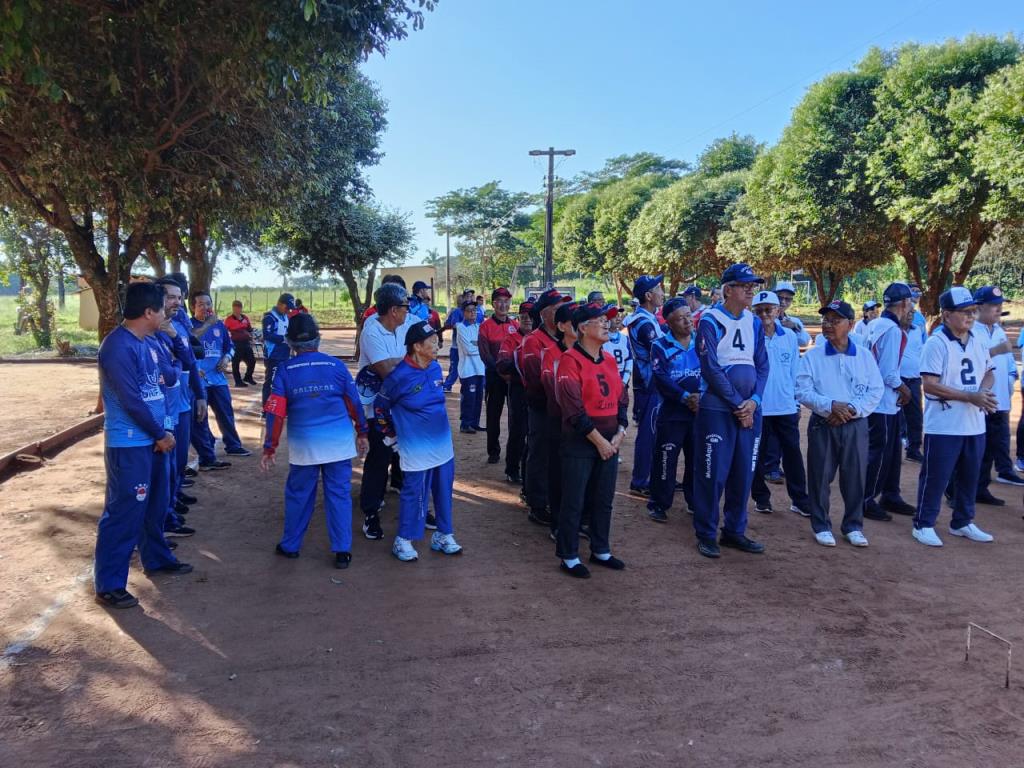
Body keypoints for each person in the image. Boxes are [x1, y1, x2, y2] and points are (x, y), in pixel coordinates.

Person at [94, 282, 191, 609]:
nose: (166, 314)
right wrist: (159, 434)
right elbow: (131, 400)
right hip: (131, 443)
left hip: (155, 440)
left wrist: (164, 429)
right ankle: (109, 584)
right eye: (162, 308)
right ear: (149, 312)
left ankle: (157, 558)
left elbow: (165, 382)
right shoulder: (117, 347)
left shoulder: (148, 342)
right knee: (124, 512)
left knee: (156, 504)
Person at [261, 314, 368, 568]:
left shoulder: (285, 371)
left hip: (304, 446)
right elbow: (354, 403)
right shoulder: (336, 366)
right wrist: (362, 432)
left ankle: (290, 545)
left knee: (299, 494)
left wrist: (270, 447)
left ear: (289, 343)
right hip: (339, 443)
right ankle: (342, 551)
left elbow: (275, 413)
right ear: (318, 339)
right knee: (339, 495)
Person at [691, 263, 769, 559]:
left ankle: (735, 530)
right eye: (744, 285)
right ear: (727, 289)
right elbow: (710, 367)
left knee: (743, 473)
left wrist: (755, 402)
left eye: (753, 285)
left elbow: (762, 364)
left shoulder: (754, 321)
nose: (751, 289)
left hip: (749, 411)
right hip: (718, 410)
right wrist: (738, 403)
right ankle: (707, 533)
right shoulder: (710, 320)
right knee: (713, 473)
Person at [912, 287, 998, 547]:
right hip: (944, 425)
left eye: (972, 311)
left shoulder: (978, 340)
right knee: (936, 477)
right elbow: (930, 385)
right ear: (947, 315)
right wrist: (969, 396)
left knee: (970, 476)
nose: (970, 317)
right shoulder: (936, 343)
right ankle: (923, 523)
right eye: (964, 312)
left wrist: (983, 391)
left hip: (973, 424)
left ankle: (962, 521)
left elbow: (989, 371)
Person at [796, 300, 884, 547]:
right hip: (824, 423)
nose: (828, 325)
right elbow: (802, 390)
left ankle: (853, 525)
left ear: (851, 325)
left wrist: (852, 409)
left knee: (855, 476)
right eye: (826, 320)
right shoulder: (814, 356)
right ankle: (821, 524)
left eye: (835, 320)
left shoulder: (864, 356)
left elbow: (875, 390)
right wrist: (830, 406)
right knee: (820, 475)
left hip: (855, 424)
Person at [376, 320, 463, 561]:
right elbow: (380, 408)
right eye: (432, 342)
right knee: (415, 493)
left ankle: (444, 535)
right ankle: (403, 539)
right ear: (416, 346)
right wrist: (392, 436)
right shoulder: (398, 377)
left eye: (437, 341)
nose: (438, 345)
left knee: (444, 490)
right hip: (415, 449)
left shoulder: (435, 368)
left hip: (443, 446)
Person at [555, 302, 629, 578]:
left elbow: (622, 398)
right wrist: (601, 442)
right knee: (574, 500)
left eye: (607, 319)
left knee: (603, 498)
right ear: (584, 328)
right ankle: (569, 554)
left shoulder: (609, 359)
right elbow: (574, 411)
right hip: (580, 442)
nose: (607, 324)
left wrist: (620, 433)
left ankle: (601, 548)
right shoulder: (569, 361)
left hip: (610, 441)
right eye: (600, 320)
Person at [356, 282, 416, 540]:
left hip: (404, 407)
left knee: (410, 457)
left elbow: (420, 358)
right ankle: (371, 512)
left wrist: (404, 363)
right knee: (379, 459)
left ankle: (417, 510)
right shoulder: (371, 332)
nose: (408, 310)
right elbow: (386, 370)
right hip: (378, 411)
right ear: (393, 309)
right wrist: (409, 363)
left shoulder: (405, 328)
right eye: (405, 305)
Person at [749, 290, 812, 517]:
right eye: (760, 311)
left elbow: (795, 370)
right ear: (753, 313)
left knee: (793, 453)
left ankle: (799, 499)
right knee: (757, 453)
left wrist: (796, 402)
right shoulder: (750, 336)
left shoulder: (789, 337)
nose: (765, 314)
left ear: (778, 310)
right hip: (759, 406)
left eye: (769, 310)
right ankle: (761, 498)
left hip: (785, 406)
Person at [862, 282, 916, 521]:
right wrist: (905, 389)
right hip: (882, 400)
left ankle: (891, 494)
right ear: (904, 303)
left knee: (893, 449)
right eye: (911, 301)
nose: (912, 306)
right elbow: (888, 373)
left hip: (879, 399)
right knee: (880, 450)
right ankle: (866, 499)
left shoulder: (874, 324)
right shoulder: (892, 330)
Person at [647, 297, 700, 523]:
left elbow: (713, 370)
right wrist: (685, 396)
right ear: (669, 322)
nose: (688, 322)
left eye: (689, 316)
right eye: (681, 319)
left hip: (700, 412)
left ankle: (695, 501)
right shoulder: (660, 345)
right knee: (666, 458)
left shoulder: (702, 342)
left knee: (697, 459)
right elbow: (661, 377)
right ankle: (659, 503)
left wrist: (702, 397)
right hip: (672, 413)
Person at [521, 289, 571, 528]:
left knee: (556, 455)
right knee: (539, 452)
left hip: (562, 410)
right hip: (541, 407)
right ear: (545, 312)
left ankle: (552, 498)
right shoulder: (533, 340)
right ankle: (537, 504)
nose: (563, 308)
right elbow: (533, 378)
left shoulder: (564, 339)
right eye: (558, 305)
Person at [973, 286, 1024, 499]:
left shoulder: (998, 330)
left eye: (1000, 305)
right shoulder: (973, 330)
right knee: (977, 450)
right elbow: (972, 360)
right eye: (993, 305)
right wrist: (995, 351)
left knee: (993, 448)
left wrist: (1012, 378)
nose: (998, 309)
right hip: (982, 400)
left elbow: (1009, 361)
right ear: (979, 307)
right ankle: (960, 492)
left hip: (1001, 399)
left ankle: (982, 487)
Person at [190, 291, 251, 465]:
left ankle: (233, 445)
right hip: (198, 381)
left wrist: (226, 359)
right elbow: (184, 347)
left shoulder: (219, 326)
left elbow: (230, 347)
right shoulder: (188, 326)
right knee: (200, 417)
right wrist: (195, 367)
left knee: (225, 412)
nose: (205, 307)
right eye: (200, 304)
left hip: (218, 379)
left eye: (208, 303)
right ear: (193, 307)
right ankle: (207, 450)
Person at [627, 274, 666, 496]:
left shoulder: (648, 318)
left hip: (652, 384)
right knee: (648, 433)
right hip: (649, 384)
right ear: (649, 296)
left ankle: (653, 476)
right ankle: (640, 481)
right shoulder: (644, 323)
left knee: (655, 432)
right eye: (658, 289)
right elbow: (661, 351)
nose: (662, 292)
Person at [496, 299, 535, 486]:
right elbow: (502, 364)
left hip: (537, 390)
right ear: (519, 317)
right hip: (518, 389)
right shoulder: (511, 339)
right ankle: (512, 469)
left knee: (534, 431)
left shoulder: (538, 338)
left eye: (530, 316)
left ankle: (529, 470)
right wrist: (522, 363)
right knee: (518, 430)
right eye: (524, 316)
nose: (527, 319)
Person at [479, 287, 518, 460]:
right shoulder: (485, 326)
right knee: (493, 415)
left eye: (506, 301)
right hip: (495, 378)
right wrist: (500, 371)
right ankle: (493, 451)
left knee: (514, 416)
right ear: (493, 304)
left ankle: (513, 451)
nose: (503, 305)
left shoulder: (515, 326)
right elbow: (484, 353)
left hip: (513, 379)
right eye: (499, 301)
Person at [899, 304, 927, 463]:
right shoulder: (893, 330)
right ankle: (893, 449)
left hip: (914, 379)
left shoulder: (917, 330)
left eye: (913, 312)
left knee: (915, 416)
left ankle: (913, 449)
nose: (912, 314)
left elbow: (921, 350)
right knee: (895, 416)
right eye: (909, 312)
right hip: (896, 380)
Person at [455, 297, 485, 433]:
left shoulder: (479, 326)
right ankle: (465, 424)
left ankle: (474, 423)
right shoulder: (461, 328)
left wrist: (476, 344)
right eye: (469, 311)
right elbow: (468, 350)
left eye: (475, 310)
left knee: (478, 398)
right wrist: (479, 345)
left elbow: (482, 345)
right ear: (464, 313)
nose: (473, 313)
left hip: (480, 369)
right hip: (467, 370)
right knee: (469, 398)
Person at [261, 293, 295, 408]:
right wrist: (283, 339)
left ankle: (282, 407)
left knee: (285, 381)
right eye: (287, 307)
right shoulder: (269, 317)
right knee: (271, 382)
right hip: (273, 356)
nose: (288, 310)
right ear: (280, 304)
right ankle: (267, 408)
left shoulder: (285, 317)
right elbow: (266, 335)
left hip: (285, 354)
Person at [224, 300, 258, 386]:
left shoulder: (245, 318)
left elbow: (250, 329)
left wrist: (251, 336)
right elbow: (224, 332)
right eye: (235, 308)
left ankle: (248, 377)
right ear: (233, 308)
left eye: (239, 308)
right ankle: (238, 381)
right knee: (236, 363)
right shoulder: (229, 320)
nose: (237, 310)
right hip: (235, 343)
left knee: (252, 361)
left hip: (246, 343)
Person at [774, 282, 811, 347]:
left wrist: (794, 327)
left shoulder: (795, 321)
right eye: (780, 297)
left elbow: (804, 342)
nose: (783, 301)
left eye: (787, 299)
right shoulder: (764, 318)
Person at [603, 310, 633, 387]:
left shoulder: (624, 338)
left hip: (622, 377)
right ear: (607, 320)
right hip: (606, 380)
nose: (618, 319)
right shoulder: (601, 339)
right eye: (614, 317)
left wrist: (624, 380)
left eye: (618, 316)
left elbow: (629, 359)